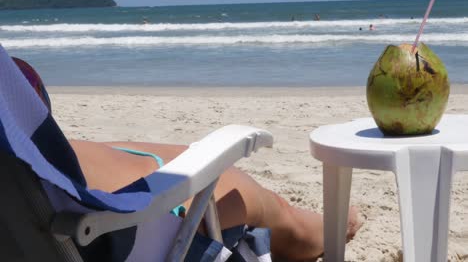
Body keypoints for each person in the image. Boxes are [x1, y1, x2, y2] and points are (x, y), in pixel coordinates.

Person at [14, 57, 362, 261]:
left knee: (127, 155)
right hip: (99, 231)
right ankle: (317, 232)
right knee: (243, 194)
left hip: (31, 193)